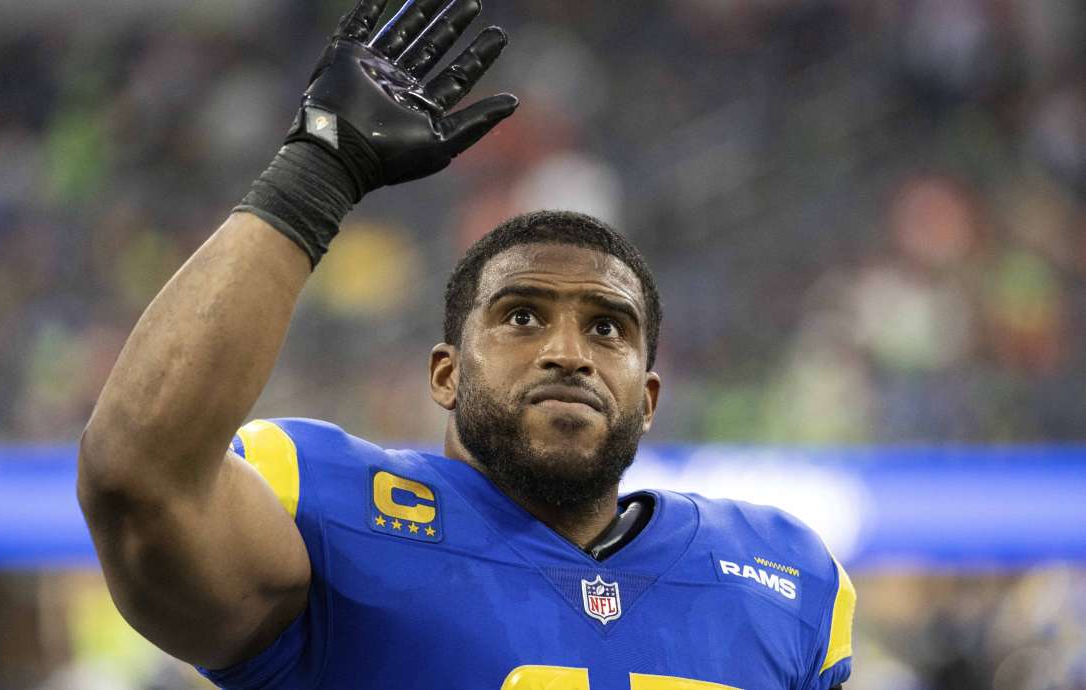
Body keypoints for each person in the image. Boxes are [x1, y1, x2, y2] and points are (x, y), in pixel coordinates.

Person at [76, 1, 856, 688]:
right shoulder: (331, 517)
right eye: (521, 316)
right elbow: (136, 479)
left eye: (607, 327)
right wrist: (317, 172)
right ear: (445, 375)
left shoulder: (785, 576)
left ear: (649, 398)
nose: (568, 352)